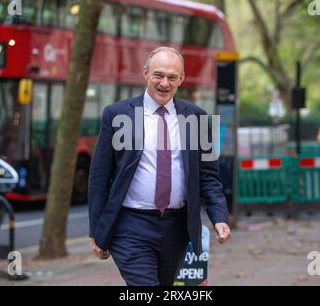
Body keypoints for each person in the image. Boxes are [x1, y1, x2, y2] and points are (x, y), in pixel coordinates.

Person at [88, 46, 231, 286]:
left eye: (172, 77)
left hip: (176, 227)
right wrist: (96, 230)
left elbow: (208, 176)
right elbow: (99, 177)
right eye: (158, 75)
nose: (164, 83)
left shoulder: (198, 118)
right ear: (145, 74)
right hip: (130, 225)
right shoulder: (116, 114)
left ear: (181, 79)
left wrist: (219, 217)